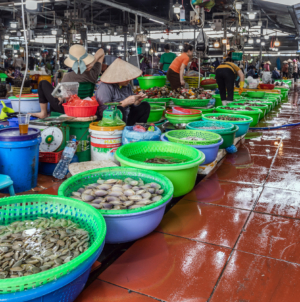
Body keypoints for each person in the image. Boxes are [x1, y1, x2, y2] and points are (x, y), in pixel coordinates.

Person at [31, 44, 105, 119]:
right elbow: (101, 52)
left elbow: (60, 98)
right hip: (86, 108)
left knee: (43, 83)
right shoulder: (94, 73)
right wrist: (93, 62)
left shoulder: (67, 77)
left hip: (70, 110)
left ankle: (43, 113)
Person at [95, 58, 150, 126]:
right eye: (125, 78)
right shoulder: (105, 87)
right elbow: (103, 112)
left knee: (145, 105)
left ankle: (138, 129)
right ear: (117, 77)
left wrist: (137, 101)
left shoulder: (127, 85)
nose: (128, 79)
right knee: (120, 109)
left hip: (126, 118)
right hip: (110, 122)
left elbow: (132, 105)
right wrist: (124, 103)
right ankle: (123, 132)